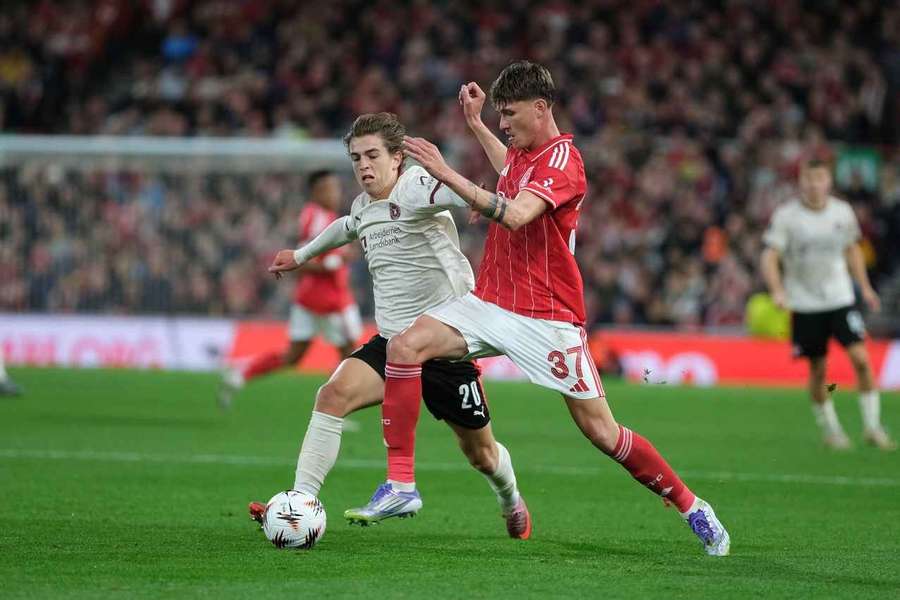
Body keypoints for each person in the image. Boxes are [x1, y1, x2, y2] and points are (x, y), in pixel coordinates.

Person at [346, 61, 730, 556]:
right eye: (500, 115)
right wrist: (476, 125)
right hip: (490, 301)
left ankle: (692, 506)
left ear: (541, 108)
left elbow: (515, 214)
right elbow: (508, 170)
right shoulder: (524, 154)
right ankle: (401, 484)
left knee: (602, 432)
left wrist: (445, 173)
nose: (503, 122)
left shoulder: (564, 161)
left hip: (546, 316)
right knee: (405, 346)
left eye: (509, 113)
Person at [256, 112, 532, 539]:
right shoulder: (362, 207)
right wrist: (301, 255)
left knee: (482, 456)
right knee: (331, 395)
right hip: (392, 343)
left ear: (397, 158)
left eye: (372, 155)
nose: (363, 165)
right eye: (356, 158)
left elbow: (460, 191)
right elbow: (346, 228)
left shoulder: (417, 185)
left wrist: (476, 201)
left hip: (444, 346)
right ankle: (299, 503)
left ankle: (510, 498)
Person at [761, 159, 895, 451]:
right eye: (809, 179)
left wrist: (865, 287)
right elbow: (770, 256)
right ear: (801, 182)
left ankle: (872, 427)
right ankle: (831, 430)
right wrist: (777, 290)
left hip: (840, 299)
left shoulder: (842, 212)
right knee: (819, 370)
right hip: (805, 304)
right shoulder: (787, 216)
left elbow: (852, 249)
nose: (814, 184)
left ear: (828, 181)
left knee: (861, 359)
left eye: (819, 178)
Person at [219, 170, 362, 408]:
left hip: (308, 298)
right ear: (316, 192)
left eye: (336, 188)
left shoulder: (315, 215)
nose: (335, 194)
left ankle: (242, 373)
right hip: (330, 300)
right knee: (351, 356)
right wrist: (335, 262)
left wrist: (339, 256)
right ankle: (332, 407)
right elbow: (305, 259)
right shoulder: (318, 217)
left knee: (293, 356)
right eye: (329, 189)